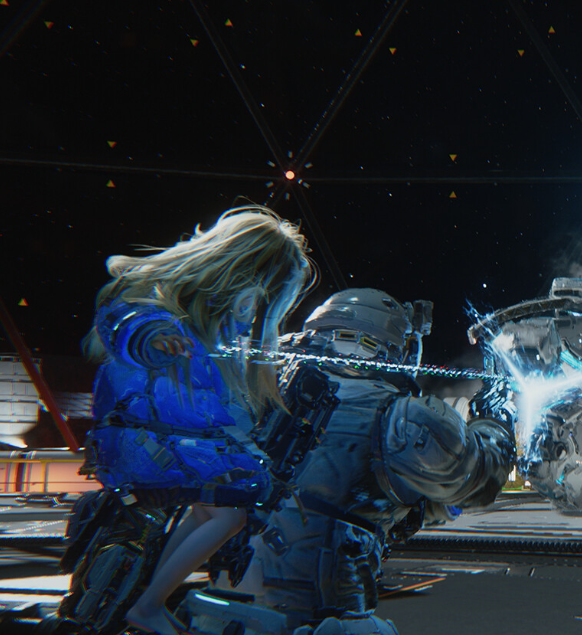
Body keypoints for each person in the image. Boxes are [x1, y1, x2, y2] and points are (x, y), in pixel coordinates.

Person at [80, 206, 314, 635]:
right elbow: (129, 319)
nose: (255, 307)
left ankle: (147, 598)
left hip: (168, 440)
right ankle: (149, 604)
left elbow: (207, 401)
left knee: (212, 512)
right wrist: (151, 337)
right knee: (230, 514)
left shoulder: (209, 327)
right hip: (146, 441)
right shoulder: (162, 308)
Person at [227, 288, 515, 634]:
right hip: (323, 618)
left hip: (229, 605)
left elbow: (353, 494)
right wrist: (496, 416)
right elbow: (479, 480)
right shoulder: (405, 418)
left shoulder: (266, 395)